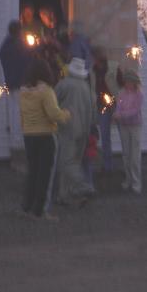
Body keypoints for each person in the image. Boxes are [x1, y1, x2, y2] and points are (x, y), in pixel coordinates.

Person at [19, 58, 71, 219]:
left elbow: (22, 114)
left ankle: (27, 206)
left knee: (32, 172)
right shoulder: (46, 91)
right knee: (45, 175)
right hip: (45, 135)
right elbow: (53, 114)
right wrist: (67, 114)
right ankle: (40, 210)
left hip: (29, 135)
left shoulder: (23, 91)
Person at [54, 58, 95, 206]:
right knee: (75, 160)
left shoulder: (63, 85)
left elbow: (53, 104)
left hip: (67, 128)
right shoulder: (86, 87)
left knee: (66, 162)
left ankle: (81, 185)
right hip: (83, 129)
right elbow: (92, 109)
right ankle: (67, 195)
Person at [0, 21, 31, 152]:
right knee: (21, 113)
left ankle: (15, 141)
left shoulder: (5, 46)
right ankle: (20, 143)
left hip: (11, 82)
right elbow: (29, 60)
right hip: (21, 83)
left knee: (14, 111)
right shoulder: (19, 45)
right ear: (19, 31)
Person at [113, 68, 144, 194]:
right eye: (126, 81)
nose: (127, 83)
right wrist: (116, 114)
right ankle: (128, 179)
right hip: (123, 126)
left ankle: (137, 182)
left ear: (134, 82)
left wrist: (121, 115)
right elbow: (119, 107)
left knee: (135, 155)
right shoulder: (121, 93)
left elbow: (136, 110)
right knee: (126, 153)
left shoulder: (139, 95)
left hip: (135, 126)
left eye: (129, 81)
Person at [90, 47, 117, 173]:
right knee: (104, 135)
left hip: (112, 103)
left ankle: (110, 165)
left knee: (111, 135)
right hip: (101, 105)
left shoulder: (112, 67)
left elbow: (120, 84)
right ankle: (108, 165)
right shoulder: (92, 71)